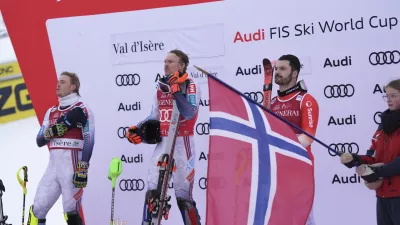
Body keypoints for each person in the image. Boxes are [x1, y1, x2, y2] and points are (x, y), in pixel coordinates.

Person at [125, 49, 202, 225]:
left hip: (183, 144)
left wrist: (177, 92)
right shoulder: (160, 86)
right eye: (165, 61)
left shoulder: (191, 85)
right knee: (153, 191)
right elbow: (154, 116)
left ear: (181, 65)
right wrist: (137, 130)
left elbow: (190, 113)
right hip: (164, 142)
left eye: (171, 61)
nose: (166, 64)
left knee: (184, 198)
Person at [27, 72, 95, 225]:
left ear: (73, 87)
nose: (58, 85)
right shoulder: (51, 111)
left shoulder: (83, 109)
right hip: (53, 168)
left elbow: (89, 140)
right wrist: (58, 128)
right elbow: (39, 140)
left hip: (71, 168)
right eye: (58, 82)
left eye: (63, 82)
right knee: (37, 209)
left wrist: (83, 167)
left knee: (71, 212)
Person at [340, 79, 400, 225]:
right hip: (383, 196)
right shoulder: (382, 126)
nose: (389, 100)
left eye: (394, 96)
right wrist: (354, 159)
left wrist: (376, 171)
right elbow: (371, 156)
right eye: (387, 96)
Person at [269, 54, 319, 225]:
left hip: (300, 168)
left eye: (283, 69)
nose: (277, 72)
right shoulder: (272, 103)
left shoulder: (306, 100)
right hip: (276, 168)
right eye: (276, 69)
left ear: (294, 73)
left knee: (303, 218)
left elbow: (308, 138)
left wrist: (281, 143)